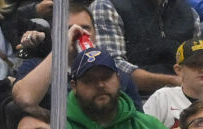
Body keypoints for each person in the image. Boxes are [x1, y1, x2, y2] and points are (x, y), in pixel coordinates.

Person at [10, 3, 144, 114]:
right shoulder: (35, 67)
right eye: (68, 29)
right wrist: (61, 49)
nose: (78, 33)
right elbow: (24, 99)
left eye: (85, 28)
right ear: (53, 35)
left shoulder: (113, 73)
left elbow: (138, 122)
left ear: (95, 34)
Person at [89, 0, 199, 94]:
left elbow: (196, 62)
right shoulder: (106, 6)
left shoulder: (189, 13)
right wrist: (171, 81)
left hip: (183, 95)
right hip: (132, 99)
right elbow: (110, 66)